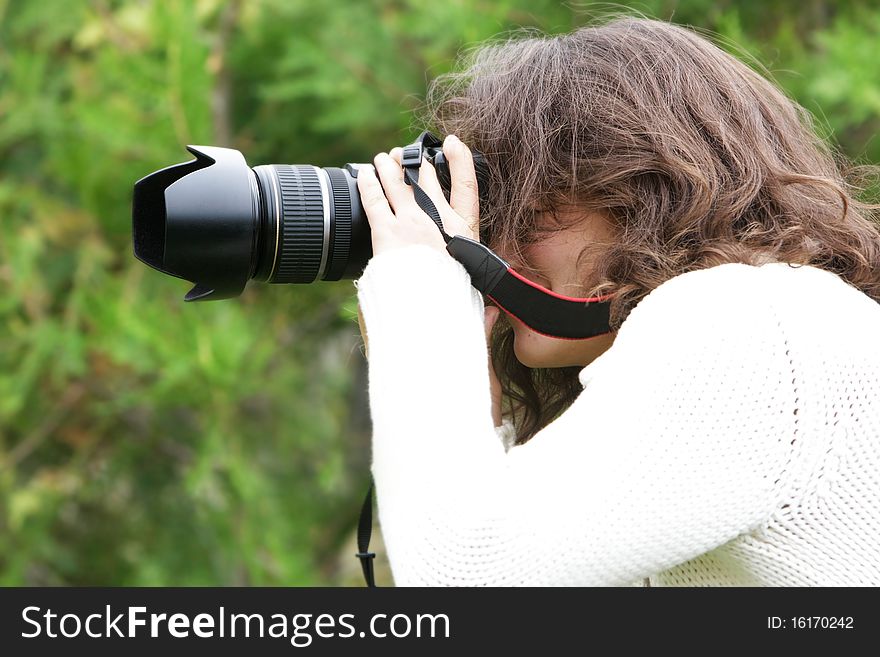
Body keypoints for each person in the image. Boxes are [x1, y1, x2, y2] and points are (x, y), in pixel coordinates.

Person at [353, 16, 880, 586]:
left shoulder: (749, 320)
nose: (492, 248)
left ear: (646, 190)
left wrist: (416, 285)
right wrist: (466, 421)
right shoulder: (780, 326)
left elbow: (464, 578)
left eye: (528, 214)